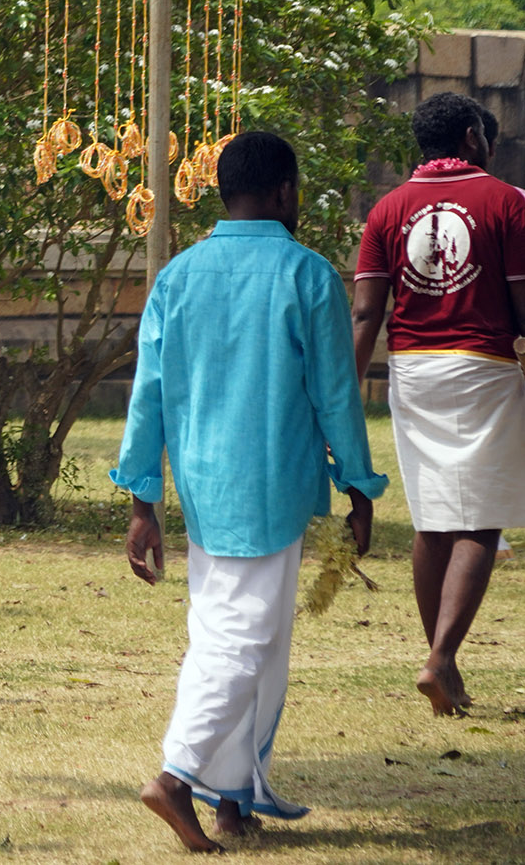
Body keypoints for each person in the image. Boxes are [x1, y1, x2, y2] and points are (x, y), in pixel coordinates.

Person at [116, 131, 386, 852]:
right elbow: (337, 395)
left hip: (205, 488)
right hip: (274, 488)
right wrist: (360, 489)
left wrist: (143, 503)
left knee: (237, 636)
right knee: (245, 640)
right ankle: (176, 776)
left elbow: (147, 396)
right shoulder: (308, 275)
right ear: (284, 191)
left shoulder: (178, 276)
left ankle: (232, 799)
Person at [351, 90, 525, 716]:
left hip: (413, 370)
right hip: (484, 367)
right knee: (480, 520)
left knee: (432, 520)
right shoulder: (508, 201)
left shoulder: (387, 209)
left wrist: (342, 396)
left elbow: (366, 312)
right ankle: (440, 658)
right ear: (473, 137)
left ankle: (443, 665)